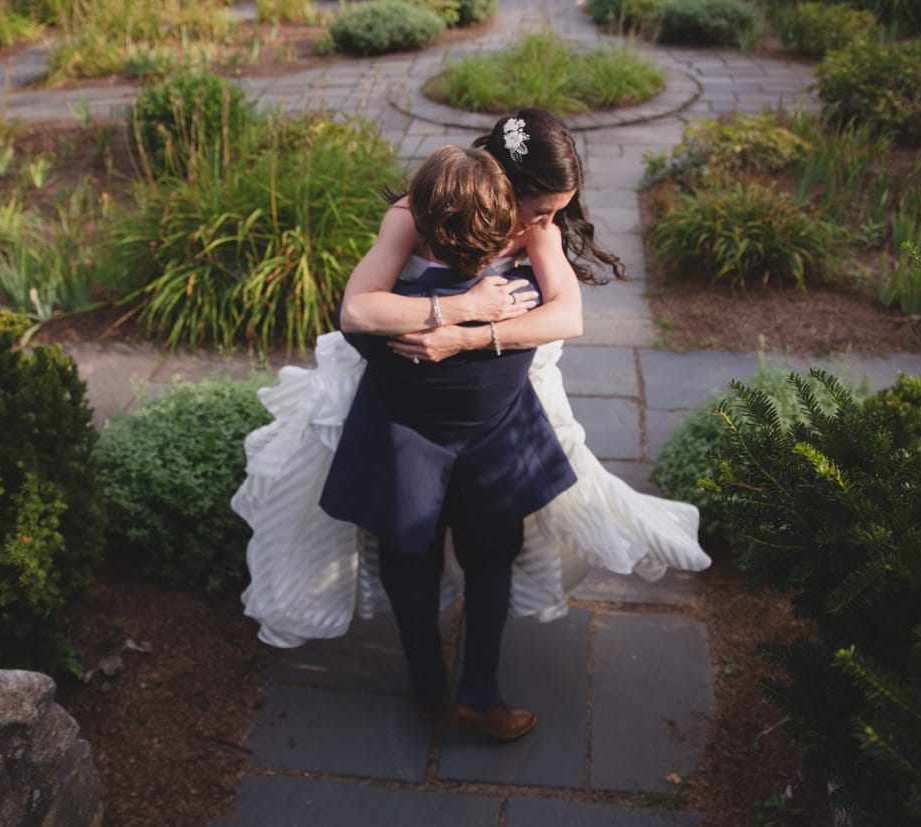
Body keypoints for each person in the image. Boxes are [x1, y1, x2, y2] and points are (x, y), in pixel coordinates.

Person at [231, 111, 711, 735]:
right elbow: (357, 307)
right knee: (409, 554)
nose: (547, 224)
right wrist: (454, 306)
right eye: (538, 210)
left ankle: (477, 692)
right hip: (404, 428)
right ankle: (428, 684)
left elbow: (568, 317)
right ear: (498, 183)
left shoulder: (535, 229)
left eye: (554, 213)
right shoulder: (414, 216)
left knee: (494, 551)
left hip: (496, 428)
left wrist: (468, 338)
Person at [321, 144, 572, 738]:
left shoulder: (393, 310)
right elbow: (560, 312)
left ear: (422, 223)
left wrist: (446, 320)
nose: (541, 223)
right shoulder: (522, 295)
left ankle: (429, 687)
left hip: (404, 440)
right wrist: (470, 310)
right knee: (490, 562)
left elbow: (355, 315)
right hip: (494, 441)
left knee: (410, 563)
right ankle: (476, 692)